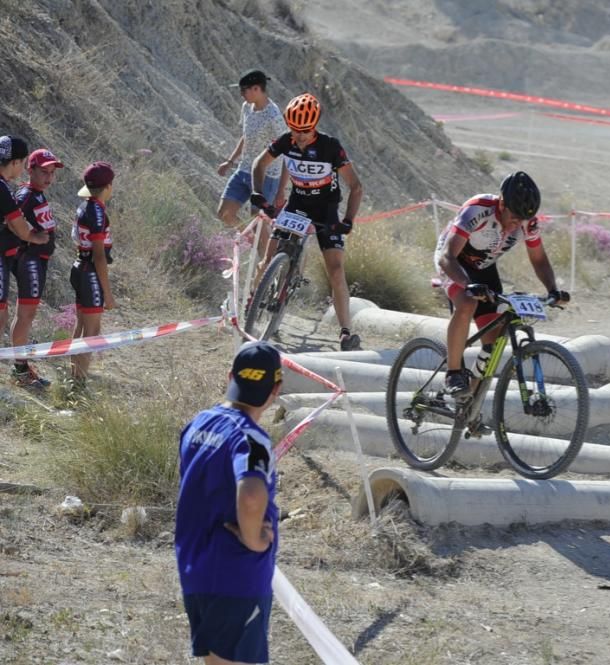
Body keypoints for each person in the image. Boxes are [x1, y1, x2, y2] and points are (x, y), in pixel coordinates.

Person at [175, 341, 282, 665]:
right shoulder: (251, 439)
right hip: (237, 576)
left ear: (230, 376)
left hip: (196, 570)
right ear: (275, 390)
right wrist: (255, 537)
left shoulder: (198, 424)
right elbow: (251, 494)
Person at [435, 171, 569, 396]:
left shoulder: (527, 221)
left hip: (485, 269)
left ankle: (470, 401)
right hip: (455, 262)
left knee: (494, 342)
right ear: (502, 203)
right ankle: (453, 372)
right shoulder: (478, 210)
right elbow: (447, 256)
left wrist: (552, 289)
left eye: (522, 219)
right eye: (514, 217)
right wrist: (467, 285)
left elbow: (538, 258)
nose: (517, 223)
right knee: (467, 303)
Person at [250, 93, 364, 351]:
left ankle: (346, 332)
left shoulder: (330, 147)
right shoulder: (285, 141)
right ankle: (252, 304)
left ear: (315, 126)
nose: (299, 136)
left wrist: (348, 220)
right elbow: (259, 164)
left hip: (326, 210)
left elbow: (356, 187)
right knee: (268, 259)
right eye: (294, 130)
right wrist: (258, 192)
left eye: (305, 131)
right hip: (298, 203)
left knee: (335, 271)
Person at [11, 149, 65, 388]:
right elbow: (9, 223)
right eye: (44, 172)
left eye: (52, 173)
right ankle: (20, 371)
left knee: (26, 315)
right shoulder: (25, 195)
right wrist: (30, 238)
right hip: (29, 259)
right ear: (29, 169)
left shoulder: (37, 194)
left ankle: (21, 368)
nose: (49, 177)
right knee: (25, 315)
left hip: (37, 260)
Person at [216, 70, 288, 229]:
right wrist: (230, 161)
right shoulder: (247, 107)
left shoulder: (274, 116)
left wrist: (281, 190)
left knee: (258, 225)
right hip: (244, 170)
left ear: (256, 89)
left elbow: (287, 152)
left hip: (266, 177)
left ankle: (263, 251)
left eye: (244, 90)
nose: (241, 94)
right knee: (224, 213)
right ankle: (247, 239)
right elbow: (246, 136)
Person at [70, 161, 116, 386]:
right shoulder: (97, 212)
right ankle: (79, 385)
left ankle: (74, 378)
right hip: (90, 272)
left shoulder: (85, 205)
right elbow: (99, 256)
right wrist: (107, 294)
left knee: (81, 327)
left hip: (80, 266)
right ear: (107, 186)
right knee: (92, 330)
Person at [0, 136, 30, 348]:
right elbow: (21, 228)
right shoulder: (2, 189)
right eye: (24, 163)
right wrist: (35, 235)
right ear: (15, 163)